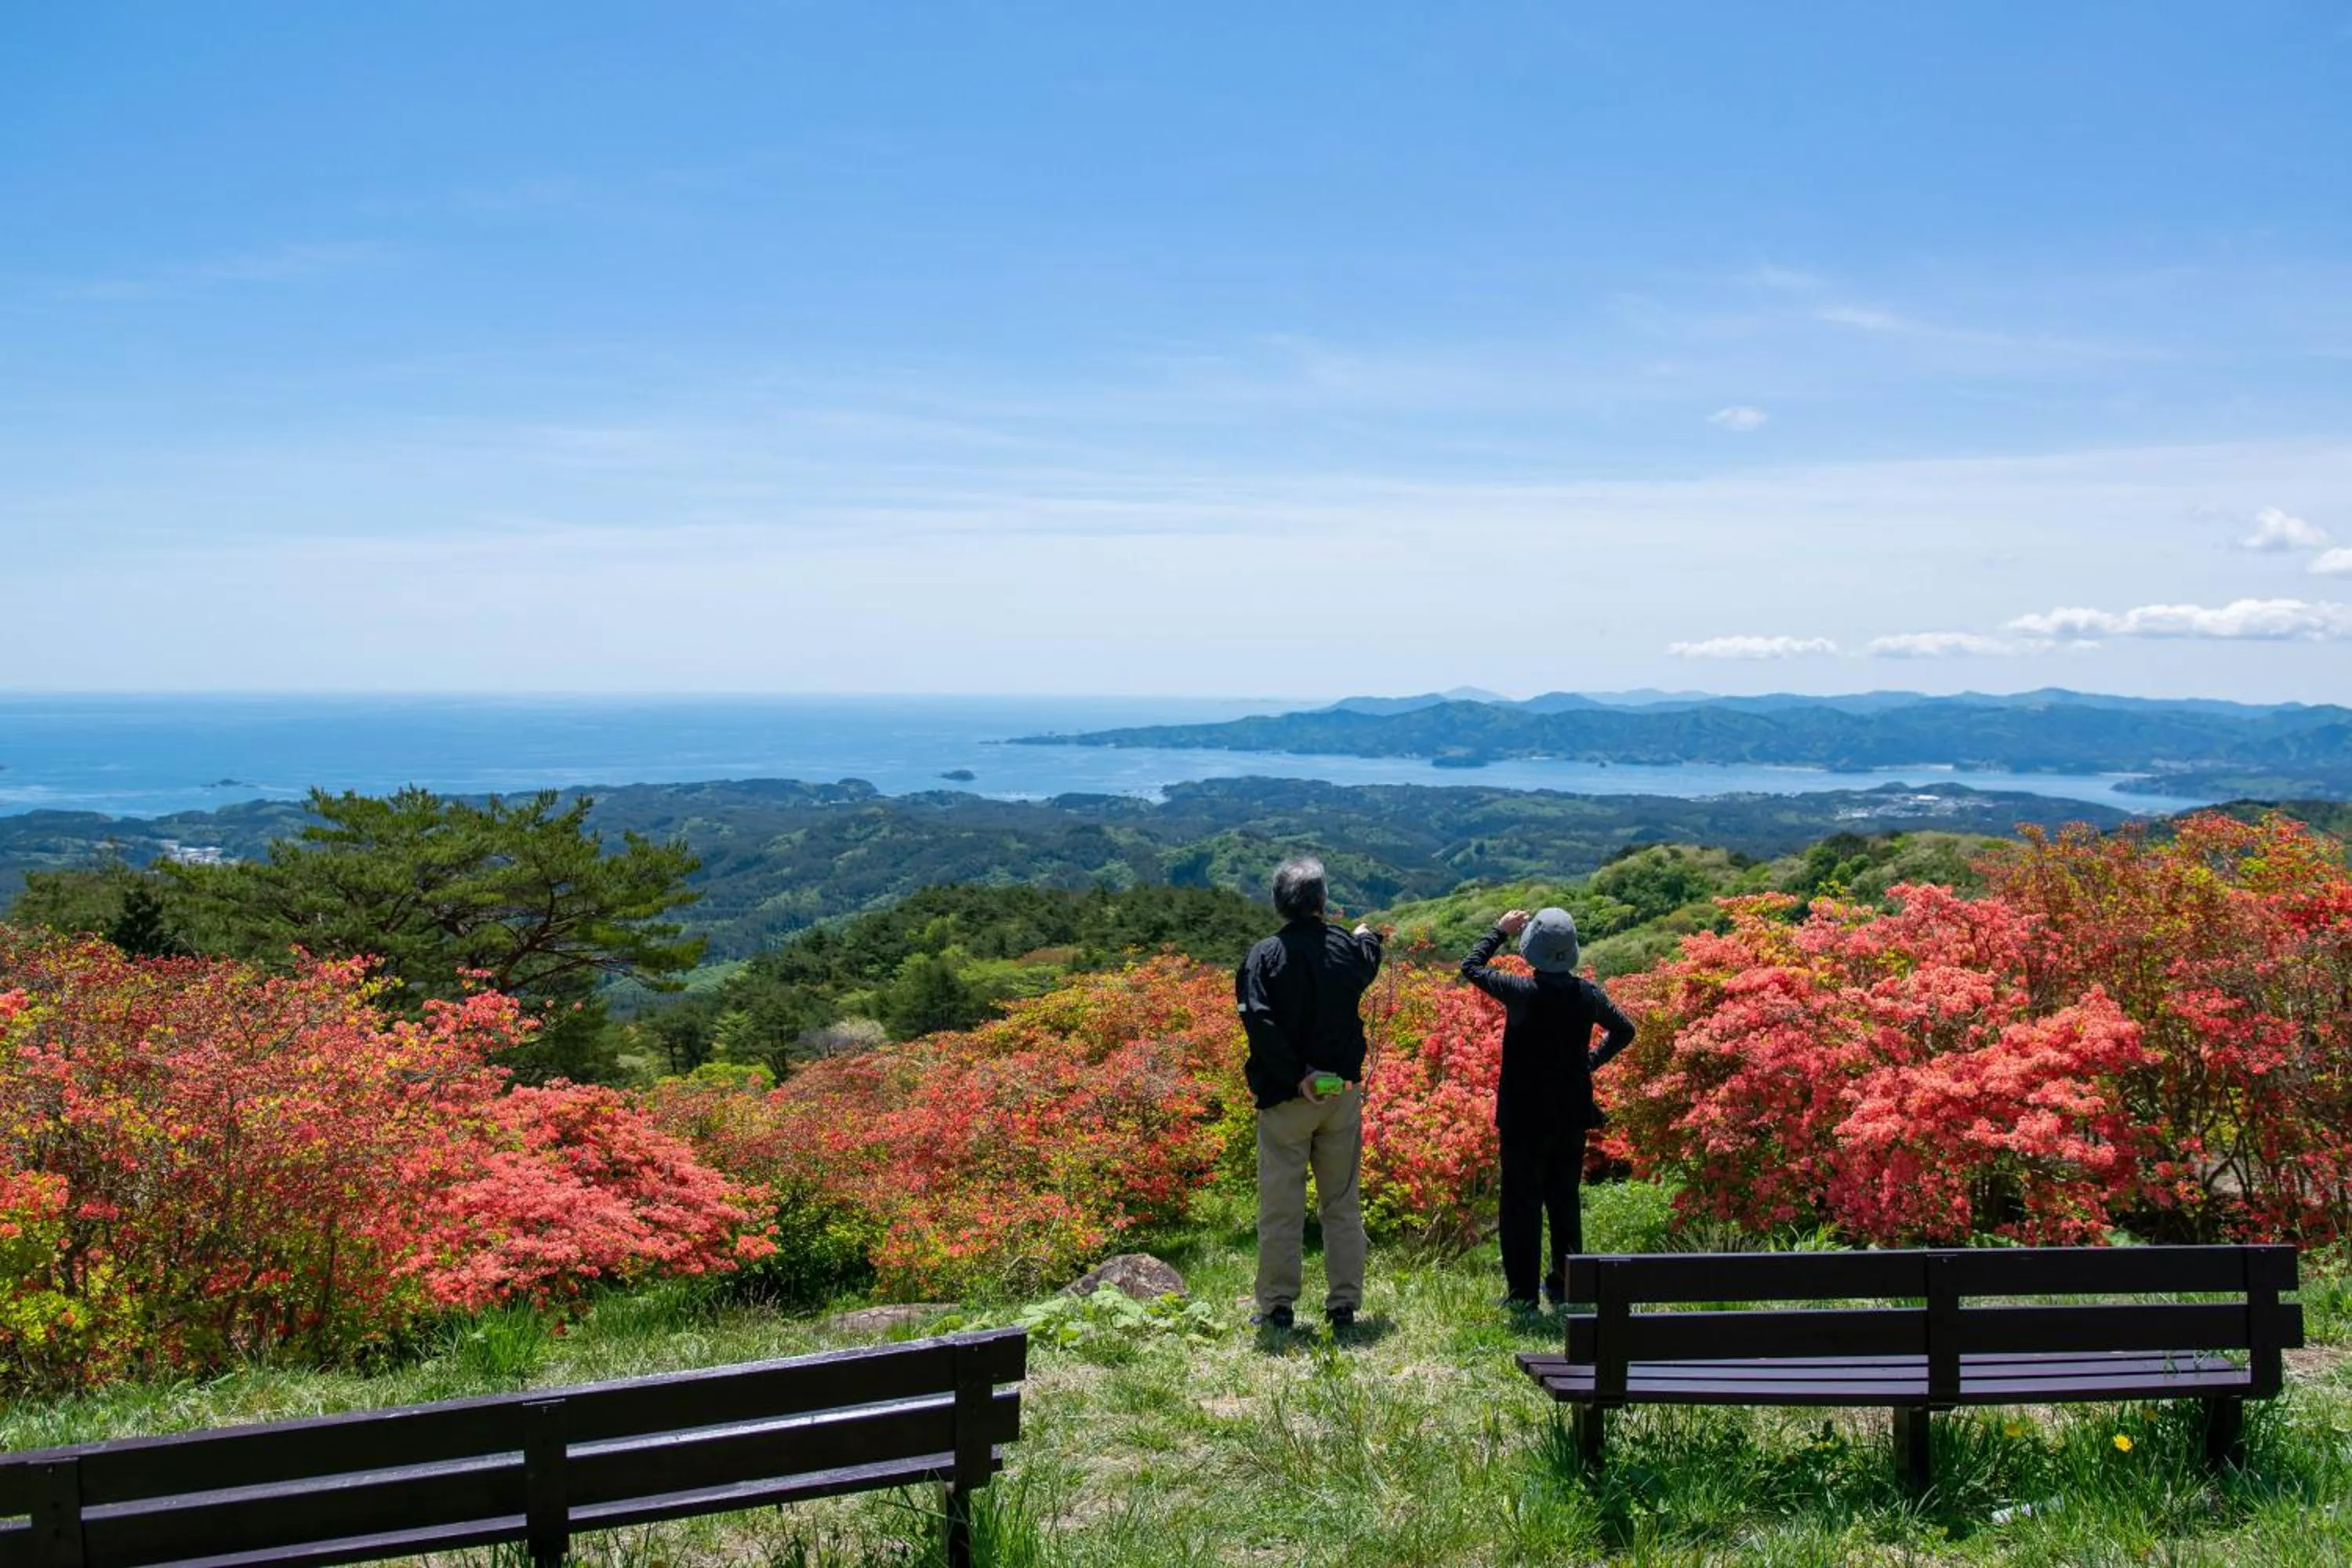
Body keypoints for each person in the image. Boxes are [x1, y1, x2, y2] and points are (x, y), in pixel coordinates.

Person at [1461, 906, 1636, 1311]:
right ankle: (1564, 1287)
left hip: (1524, 1118)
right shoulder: (1587, 995)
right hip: (1571, 1113)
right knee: (1563, 1200)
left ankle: (1522, 1294)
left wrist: (1498, 931)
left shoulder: (1520, 992)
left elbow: (1471, 966)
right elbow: (1625, 1030)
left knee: (1521, 1204)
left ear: (1532, 950)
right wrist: (1588, 1062)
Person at [1235, 856, 1384, 1330]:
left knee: (1282, 1205)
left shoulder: (1264, 956)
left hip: (1286, 1098)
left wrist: (1298, 1073)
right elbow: (1366, 960)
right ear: (1321, 901)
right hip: (1341, 1094)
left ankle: (1278, 1306)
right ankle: (1343, 1305)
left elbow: (1259, 1021)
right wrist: (1367, 935)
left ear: (1280, 903)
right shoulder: (1345, 948)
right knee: (1340, 1202)